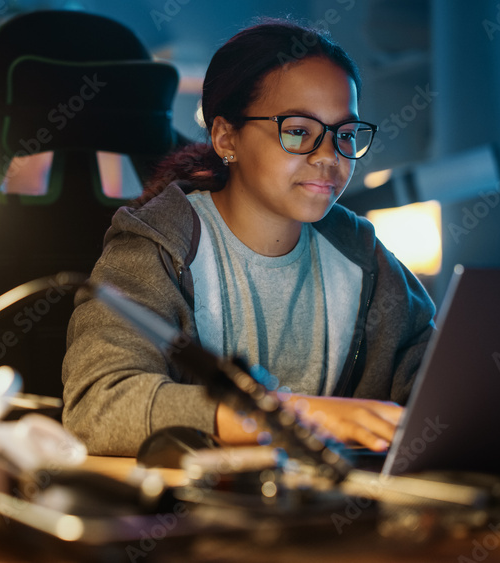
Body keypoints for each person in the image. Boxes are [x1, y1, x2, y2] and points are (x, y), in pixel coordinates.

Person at [61, 19, 436, 457]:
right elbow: (100, 405)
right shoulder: (158, 247)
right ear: (225, 137)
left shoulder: (364, 257)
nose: (328, 157)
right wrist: (294, 415)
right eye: (299, 131)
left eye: (345, 135)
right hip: (193, 517)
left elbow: (442, 391)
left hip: (333, 516)